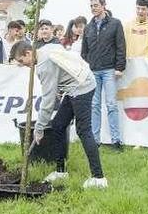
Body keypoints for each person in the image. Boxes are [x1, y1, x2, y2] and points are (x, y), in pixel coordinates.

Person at [14, 42, 107, 189]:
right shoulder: (45, 49)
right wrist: (60, 85)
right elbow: (61, 55)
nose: (22, 64)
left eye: (21, 61)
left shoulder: (44, 66)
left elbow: (48, 102)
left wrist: (39, 128)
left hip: (82, 86)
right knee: (58, 125)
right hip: (72, 87)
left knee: (83, 130)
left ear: (28, 53)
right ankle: (61, 171)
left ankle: (98, 178)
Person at [80, 0, 126, 150]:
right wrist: (89, 63)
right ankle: (95, 140)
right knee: (94, 105)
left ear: (104, 6)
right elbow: (84, 51)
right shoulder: (88, 27)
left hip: (109, 70)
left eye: (96, 5)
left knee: (112, 104)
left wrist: (119, 67)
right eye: (91, 5)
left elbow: (121, 46)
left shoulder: (115, 24)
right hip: (93, 71)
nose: (93, 8)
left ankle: (116, 140)